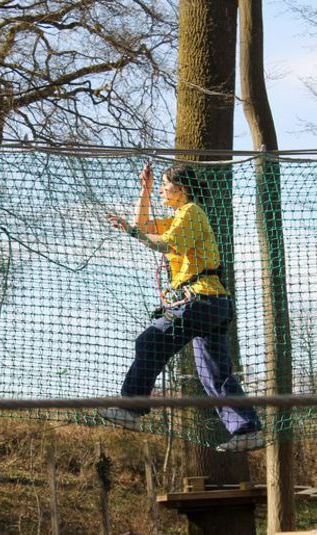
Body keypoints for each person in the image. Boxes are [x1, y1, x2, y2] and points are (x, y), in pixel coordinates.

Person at [100, 162, 263, 451]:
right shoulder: (180, 216)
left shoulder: (191, 213)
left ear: (182, 190)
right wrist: (145, 190)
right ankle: (248, 430)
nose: (162, 189)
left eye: (164, 185)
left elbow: (165, 245)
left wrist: (135, 234)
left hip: (200, 300)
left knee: (150, 342)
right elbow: (144, 226)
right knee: (213, 373)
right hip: (213, 304)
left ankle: (130, 409)